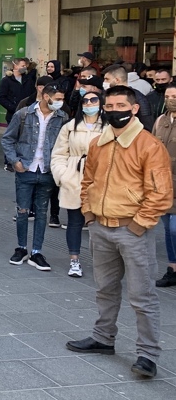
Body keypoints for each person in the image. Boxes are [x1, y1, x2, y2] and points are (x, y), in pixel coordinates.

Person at [67, 85, 172, 378]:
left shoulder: (150, 146)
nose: (114, 111)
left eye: (120, 106)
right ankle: (103, 338)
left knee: (143, 297)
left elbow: (161, 193)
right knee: (105, 290)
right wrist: (89, 215)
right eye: (109, 107)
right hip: (100, 228)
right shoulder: (98, 143)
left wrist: (139, 224)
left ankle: (148, 355)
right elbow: (87, 181)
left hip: (133, 231)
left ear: (135, 108)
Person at [1, 83, 68, 272]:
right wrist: (15, 161)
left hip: (47, 171)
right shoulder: (24, 114)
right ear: (46, 97)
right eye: (58, 99)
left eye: (62, 99)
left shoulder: (63, 118)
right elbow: (7, 138)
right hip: (26, 169)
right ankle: (21, 248)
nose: (61, 103)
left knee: (41, 213)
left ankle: (37, 251)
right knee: (22, 212)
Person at [52, 90, 105, 278]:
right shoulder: (70, 127)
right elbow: (58, 154)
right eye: (86, 100)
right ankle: (74, 260)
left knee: (99, 223)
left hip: (101, 179)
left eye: (93, 100)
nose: (89, 103)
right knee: (74, 221)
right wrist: (63, 176)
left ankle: (102, 262)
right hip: (74, 176)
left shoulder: (107, 127)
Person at [153, 83, 176, 288]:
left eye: (174, 95)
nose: (170, 99)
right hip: (162, 184)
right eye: (168, 95)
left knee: (175, 228)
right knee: (168, 229)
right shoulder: (161, 120)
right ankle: (172, 268)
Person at [0, 57, 36, 171]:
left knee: (25, 137)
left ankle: (23, 160)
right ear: (15, 66)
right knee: (11, 138)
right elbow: (1, 97)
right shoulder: (7, 80)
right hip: (13, 113)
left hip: (28, 113)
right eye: (22, 65)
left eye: (26, 66)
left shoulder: (28, 79)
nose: (24, 68)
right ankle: (9, 161)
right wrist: (13, 108)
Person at [102, 65, 154, 131]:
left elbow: (147, 125)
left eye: (107, 79)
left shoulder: (139, 99)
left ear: (117, 80)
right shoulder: (105, 96)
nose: (104, 82)